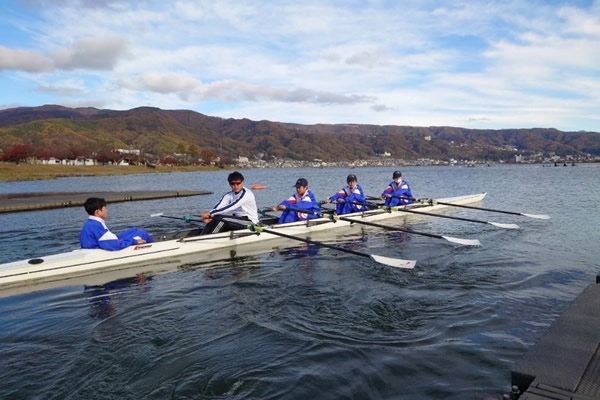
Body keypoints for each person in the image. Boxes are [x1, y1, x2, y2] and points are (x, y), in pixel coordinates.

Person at [79, 197, 154, 250]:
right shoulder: (96, 226)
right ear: (97, 212)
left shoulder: (90, 223)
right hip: (101, 248)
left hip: (102, 244)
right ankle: (154, 247)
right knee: (141, 234)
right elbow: (113, 244)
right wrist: (134, 241)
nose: (107, 211)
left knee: (134, 230)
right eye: (105, 209)